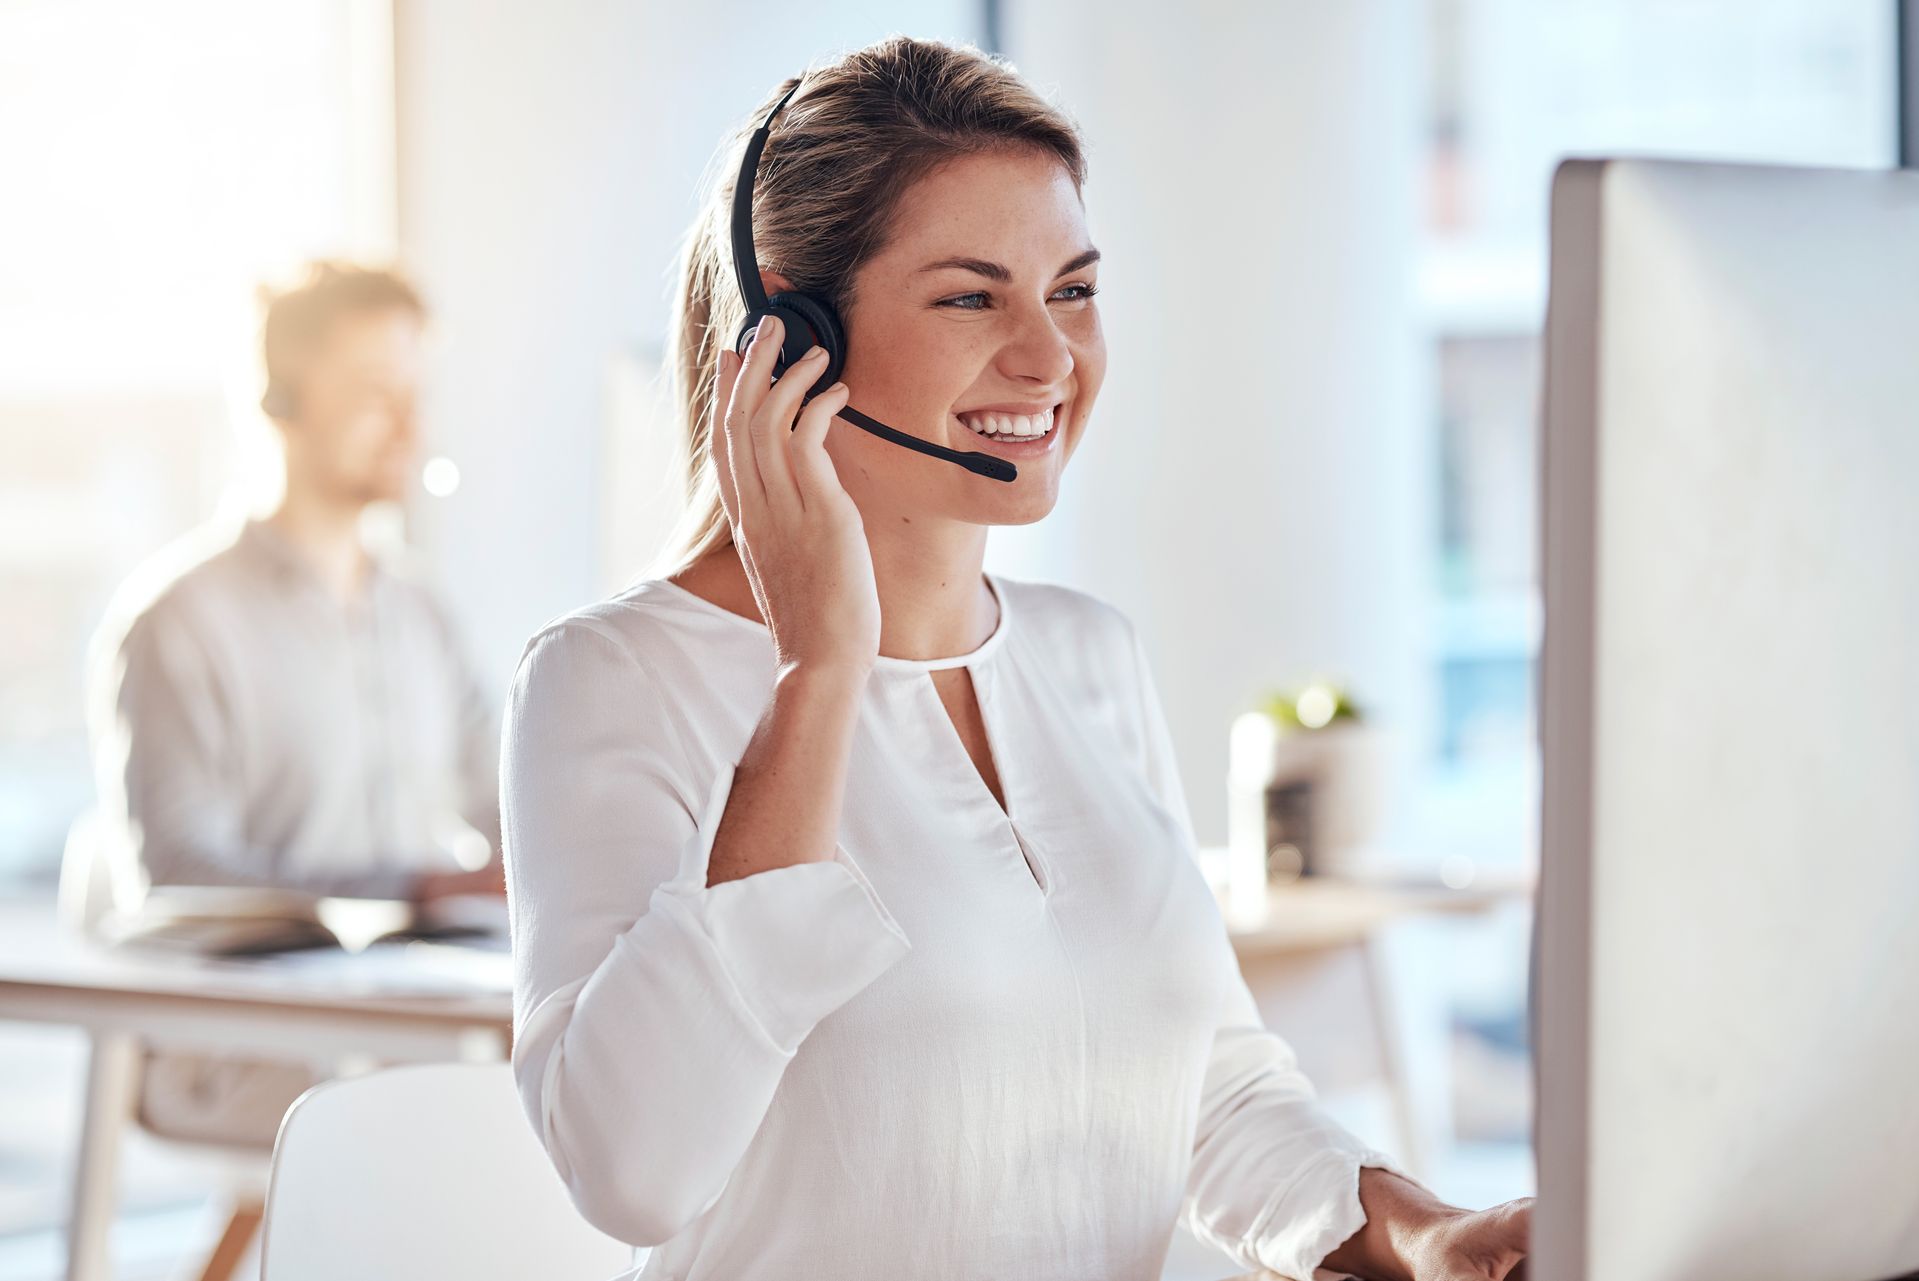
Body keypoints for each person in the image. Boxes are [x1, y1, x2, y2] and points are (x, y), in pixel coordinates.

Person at [502, 38, 1532, 1281]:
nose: (1050, 360)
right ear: (790, 336)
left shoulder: (1088, 657)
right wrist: (820, 673)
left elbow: (1205, 1085)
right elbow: (633, 1171)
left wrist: (1432, 1236)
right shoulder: (612, 682)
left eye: (1075, 290)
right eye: (971, 296)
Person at [85, 260, 505, 1150]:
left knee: (578, 1083)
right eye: (374, 393)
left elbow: (506, 807)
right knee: (479, 1130)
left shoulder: (423, 614)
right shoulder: (179, 620)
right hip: (244, 1038)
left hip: (402, 1018)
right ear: (280, 400)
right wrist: (415, 886)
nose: (409, 424)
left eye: (414, 392)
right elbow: (179, 870)